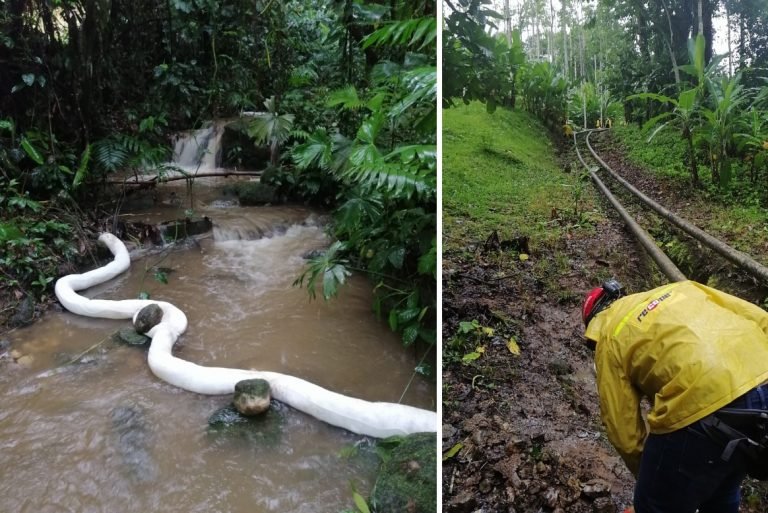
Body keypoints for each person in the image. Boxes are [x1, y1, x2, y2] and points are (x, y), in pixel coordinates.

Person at [582, 279, 768, 513]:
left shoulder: (609, 336)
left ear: (594, 324)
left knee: (653, 505)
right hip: (763, 384)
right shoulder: (682, 287)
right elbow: (760, 317)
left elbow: (623, 430)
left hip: (703, 406)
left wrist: (653, 477)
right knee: (723, 488)